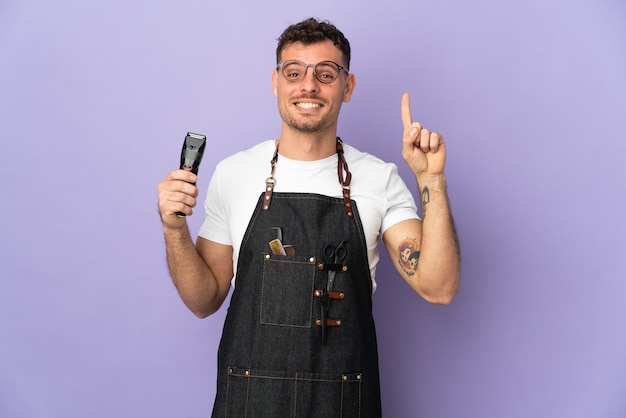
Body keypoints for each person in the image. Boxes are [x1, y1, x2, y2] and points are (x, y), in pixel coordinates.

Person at [157, 17, 460, 417]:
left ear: (347, 87)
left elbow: (438, 287)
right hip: (249, 403)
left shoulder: (377, 178)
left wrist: (431, 180)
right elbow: (203, 300)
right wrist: (174, 227)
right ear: (276, 82)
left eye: (326, 73)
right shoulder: (235, 173)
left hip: (342, 404)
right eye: (294, 72)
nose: (308, 86)